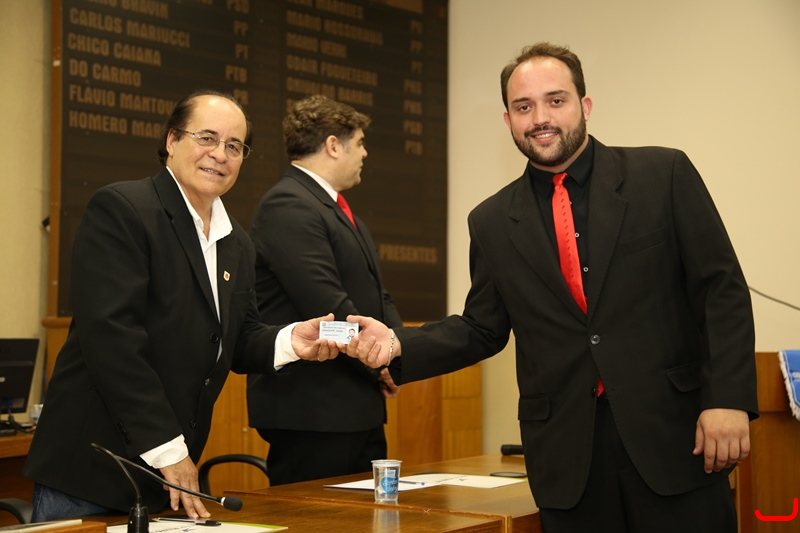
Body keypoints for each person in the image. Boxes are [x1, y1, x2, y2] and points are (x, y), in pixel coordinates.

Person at [347, 43, 758, 533]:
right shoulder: (491, 220)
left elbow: (721, 290)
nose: (540, 118)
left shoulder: (662, 175)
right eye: (524, 107)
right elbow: (481, 328)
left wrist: (727, 399)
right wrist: (397, 342)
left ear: (585, 105)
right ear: (508, 120)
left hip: (677, 439)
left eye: (555, 100)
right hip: (568, 462)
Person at [24, 90, 342, 521]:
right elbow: (113, 342)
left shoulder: (237, 243)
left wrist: (290, 340)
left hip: (166, 479)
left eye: (234, 146)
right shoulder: (123, 210)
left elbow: (237, 337)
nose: (220, 154)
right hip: (91, 471)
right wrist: (170, 451)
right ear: (172, 140)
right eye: (207, 138)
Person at [246, 95, 402, 486]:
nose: (365, 153)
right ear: (333, 145)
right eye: (360, 143)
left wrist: (396, 350)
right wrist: (378, 363)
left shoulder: (339, 211)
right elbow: (326, 303)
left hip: (355, 404)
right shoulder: (288, 204)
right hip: (312, 410)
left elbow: (378, 295)